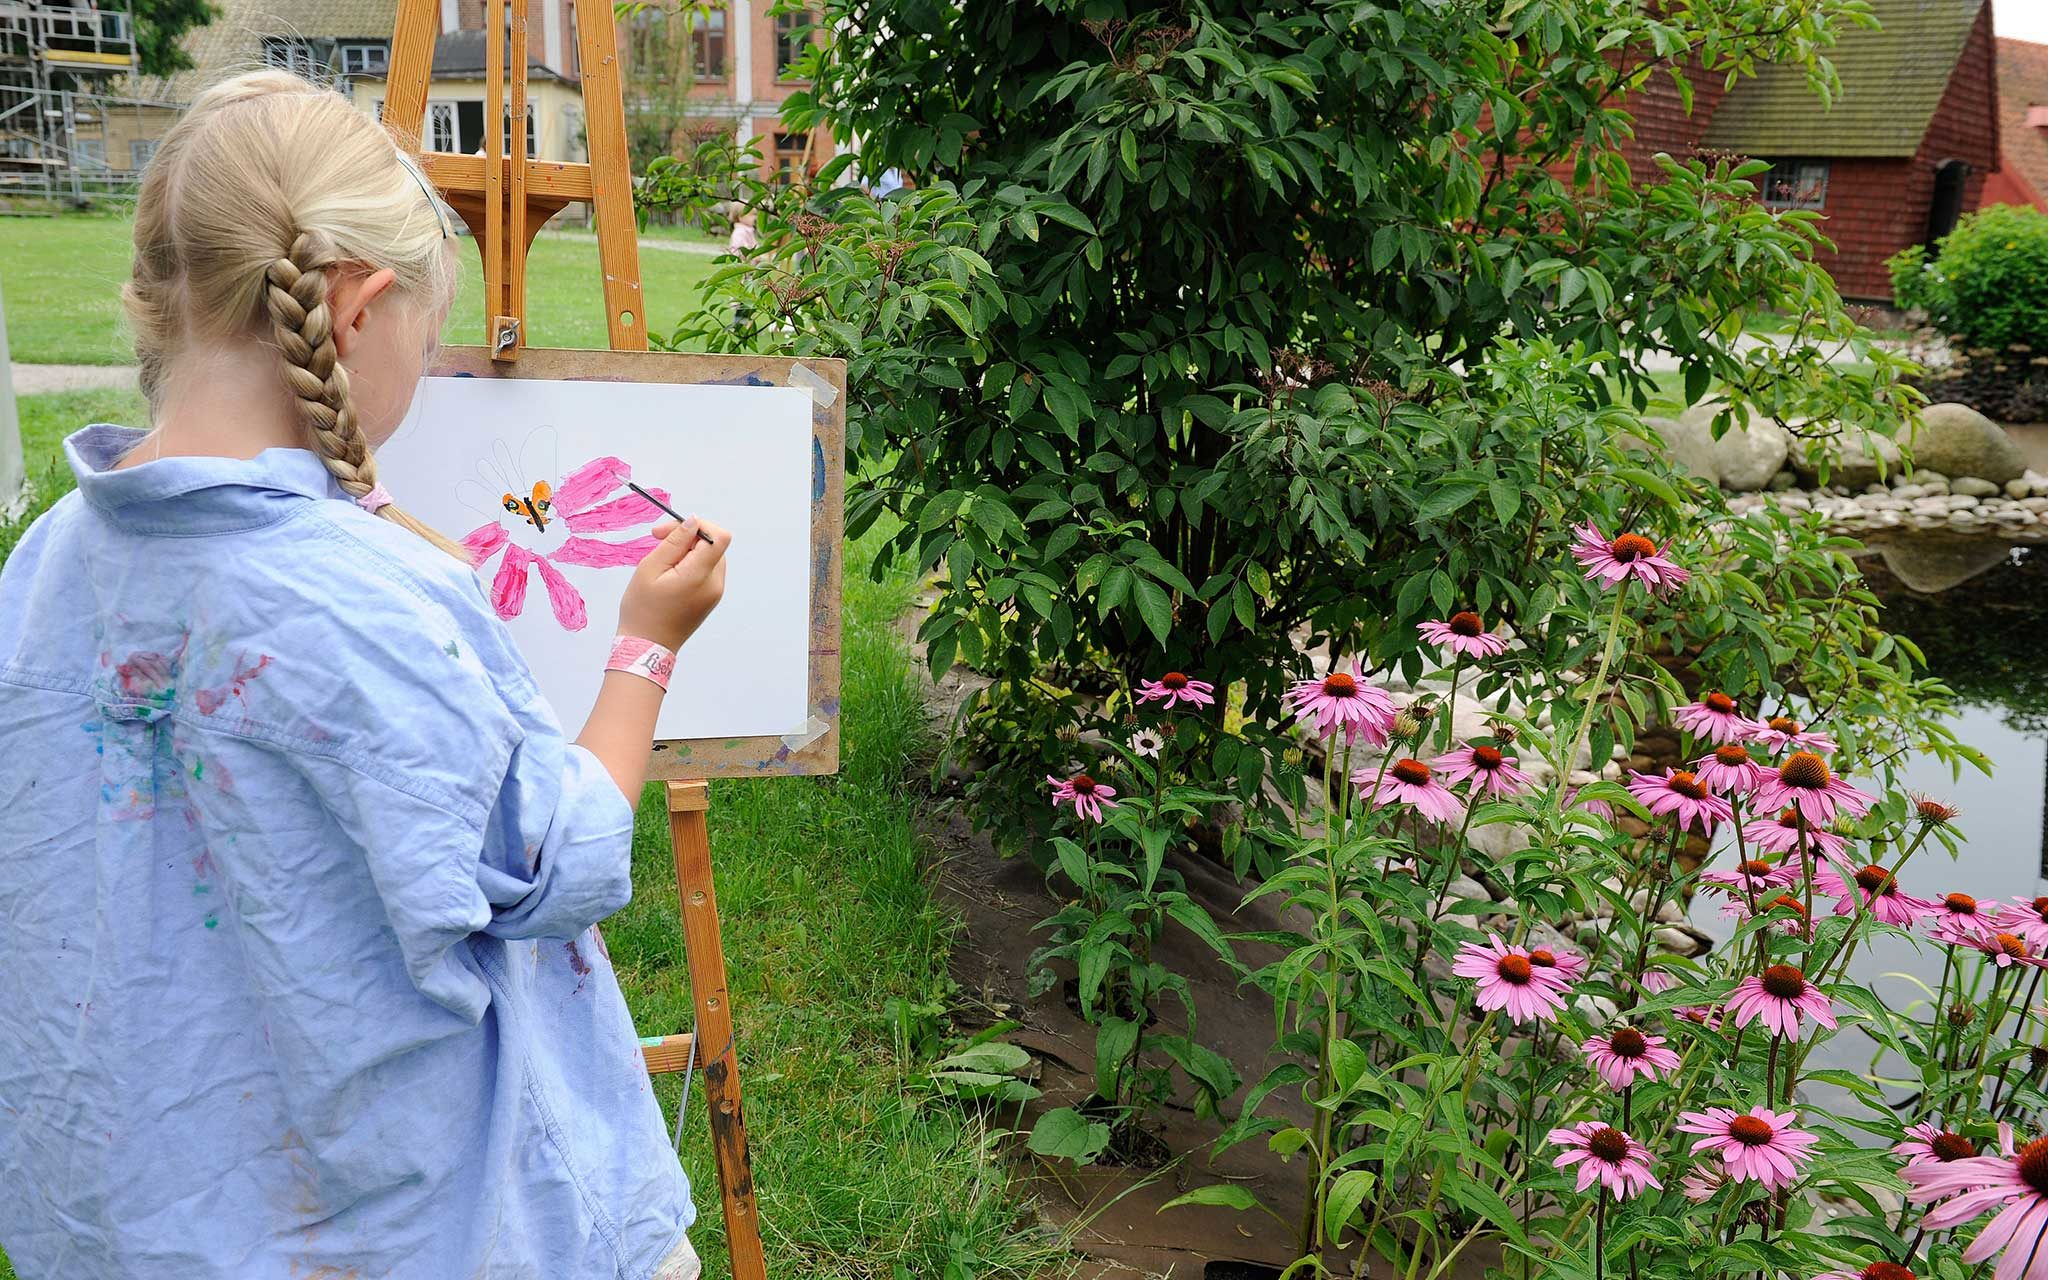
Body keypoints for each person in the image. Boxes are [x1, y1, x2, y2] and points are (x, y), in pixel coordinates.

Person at [0, 71, 724, 1280]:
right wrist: (644, 641)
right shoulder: (372, 600)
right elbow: (556, 860)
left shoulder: (42, 565)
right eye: (427, 344)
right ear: (353, 310)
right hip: (413, 1227)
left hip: (126, 1219)